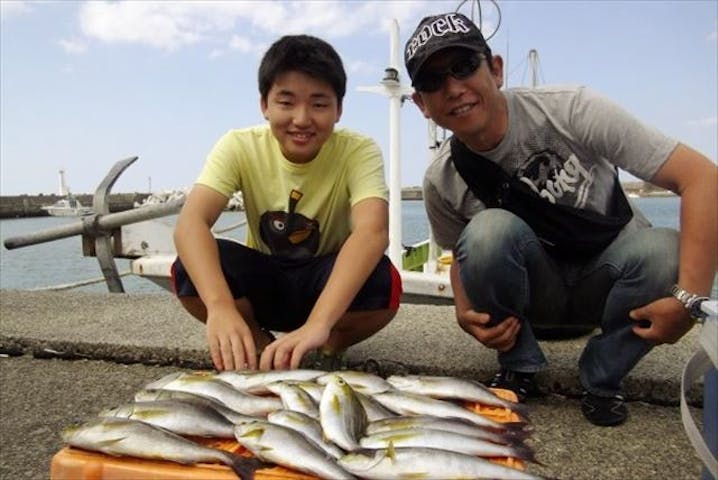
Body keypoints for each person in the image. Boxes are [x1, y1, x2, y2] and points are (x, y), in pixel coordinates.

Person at [404, 12, 717, 426]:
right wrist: (464, 312)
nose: (454, 88)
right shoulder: (442, 178)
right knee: (487, 233)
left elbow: (701, 178)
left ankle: (603, 376)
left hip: (610, 279)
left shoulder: (572, 109)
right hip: (536, 296)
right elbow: (460, 253)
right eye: (433, 81)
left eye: (464, 66)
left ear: (495, 69)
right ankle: (519, 366)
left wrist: (689, 300)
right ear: (422, 104)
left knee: (667, 250)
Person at [172, 34, 401, 373]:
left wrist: (320, 323)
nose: (302, 118)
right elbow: (190, 224)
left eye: (319, 104)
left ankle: (329, 348)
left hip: (327, 281)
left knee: (384, 281)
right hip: (265, 277)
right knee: (188, 269)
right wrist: (220, 307)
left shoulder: (359, 150)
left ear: (339, 109)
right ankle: (259, 344)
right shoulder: (238, 145)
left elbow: (372, 231)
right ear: (265, 104)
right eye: (287, 102)